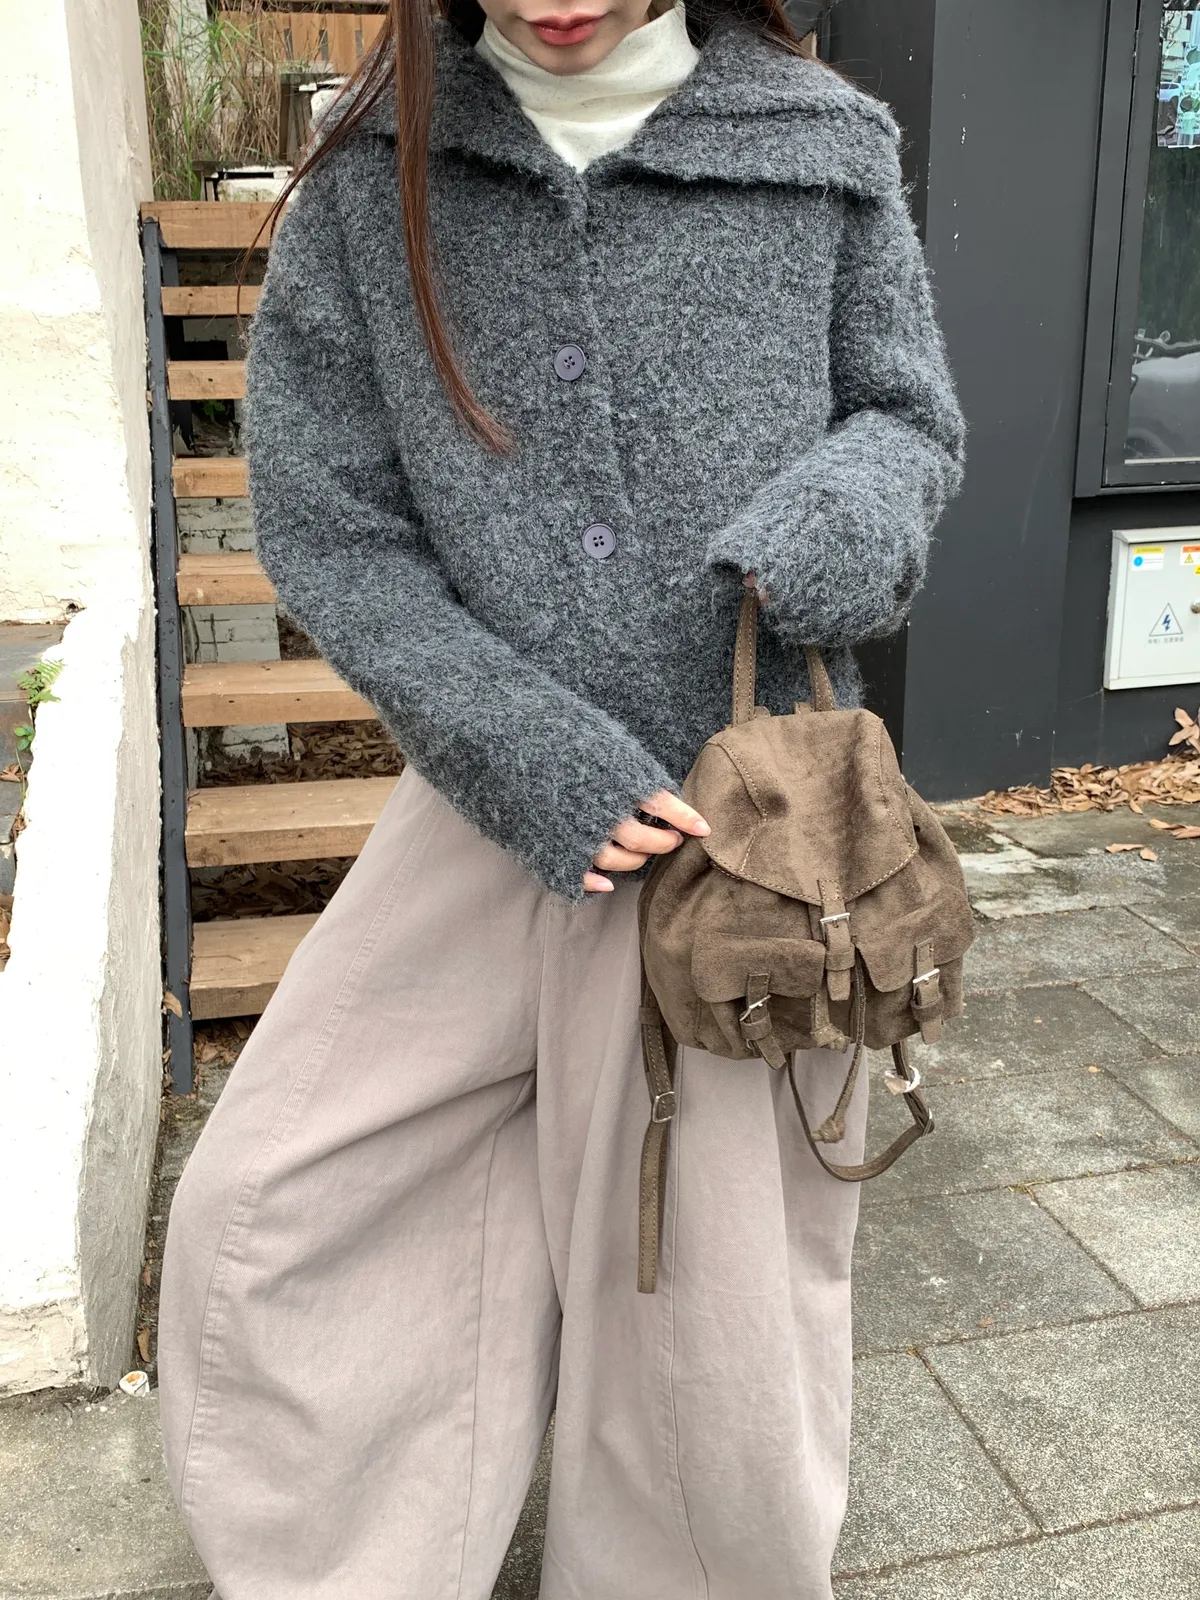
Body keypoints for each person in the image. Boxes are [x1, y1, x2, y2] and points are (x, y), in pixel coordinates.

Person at [157, 0, 965, 1595]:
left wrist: (834, 522)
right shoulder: (376, 177)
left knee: (709, 1307)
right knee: (276, 1210)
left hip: (749, 839)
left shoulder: (821, 147)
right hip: (482, 801)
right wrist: (522, 747)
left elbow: (905, 416)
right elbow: (334, 526)